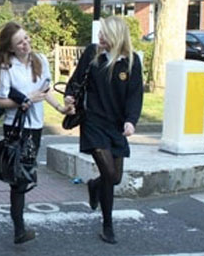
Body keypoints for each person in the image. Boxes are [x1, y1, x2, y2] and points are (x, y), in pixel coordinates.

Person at [64, 16, 143, 244]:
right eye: (100, 33)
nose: (100, 37)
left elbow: (135, 95)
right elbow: (76, 81)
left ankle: (94, 185)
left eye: (105, 34)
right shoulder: (92, 54)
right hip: (93, 123)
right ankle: (108, 225)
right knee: (109, 173)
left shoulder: (131, 62)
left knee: (115, 177)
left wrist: (131, 121)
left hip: (116, 125)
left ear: (116, 36)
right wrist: (70, 95)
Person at [0, 21, 71, 244]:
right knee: (18, 178)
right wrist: (23, 101)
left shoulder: (40, 60)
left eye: (26, 38)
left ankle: (19, 226)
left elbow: (45, 91)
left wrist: (60, 108)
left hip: (35, 126)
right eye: (20, 42)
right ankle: (19, 229)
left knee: (24, 177)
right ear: (11, 48)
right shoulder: (6, 67)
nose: (26, 44)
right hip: (16, 127)